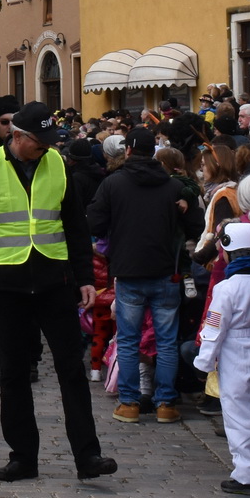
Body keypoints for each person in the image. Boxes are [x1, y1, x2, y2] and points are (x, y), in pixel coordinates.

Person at [0, 102, 114, 481]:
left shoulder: (58, 164)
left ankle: (87, 457)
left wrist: (85, 279)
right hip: (6, 283)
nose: (45, 147)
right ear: (17, 136)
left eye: (49, 141)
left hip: (54, 281)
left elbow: (75, 228)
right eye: (39, 142)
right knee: (14, 374)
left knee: (70, 370)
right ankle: (23, 457)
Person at [86, 127, 201, 425]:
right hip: (166, 271)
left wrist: (118, 229)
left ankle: (129, 404)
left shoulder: (114, 184)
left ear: (127, 151)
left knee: (127, 340)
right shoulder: (174, 187)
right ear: (152, 151)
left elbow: (95, 223)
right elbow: (195, 227)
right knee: (165, 341)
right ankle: (165, 404)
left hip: (128, 270)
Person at [194, 221, 250, 496]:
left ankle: (247, 474)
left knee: (238, 414)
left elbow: (214, 328)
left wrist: (204, 362)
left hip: (236, 350)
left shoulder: (226, 289)